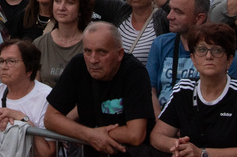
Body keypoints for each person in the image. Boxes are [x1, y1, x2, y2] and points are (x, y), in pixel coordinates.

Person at [150, 22, 237, 157]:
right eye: (202, 50)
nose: (209, 56)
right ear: (193, 58)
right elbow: (157, 136)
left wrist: (202, 153)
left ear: (229, 60)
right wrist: (180, 147)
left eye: (217, 50)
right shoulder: (183, 89)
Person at [45, 22, 155, 157]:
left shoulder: (135, 72)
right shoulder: (78, 65)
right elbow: (50, 118)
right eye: (87, 51)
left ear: (119, 54)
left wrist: (93, 134)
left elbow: (135, 135)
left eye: (101, 52)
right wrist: (89, 135)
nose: (93, 60)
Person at [33, 0, 93, 88]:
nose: (61, 7)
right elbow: (34, 88)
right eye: (57, 1)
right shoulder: (39, 44)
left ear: (80, 8)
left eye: (69, 2)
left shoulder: (91, 44)